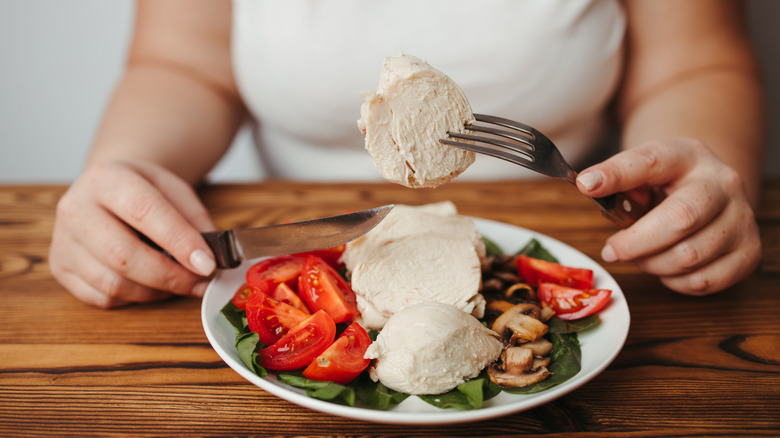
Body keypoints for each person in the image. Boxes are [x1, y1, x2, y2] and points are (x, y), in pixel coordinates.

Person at [49, 0, 765, 308]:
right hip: (303, 241)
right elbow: (183, 64)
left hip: (575, 233)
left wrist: (695, 189)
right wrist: (126, 172)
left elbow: (692, 63)